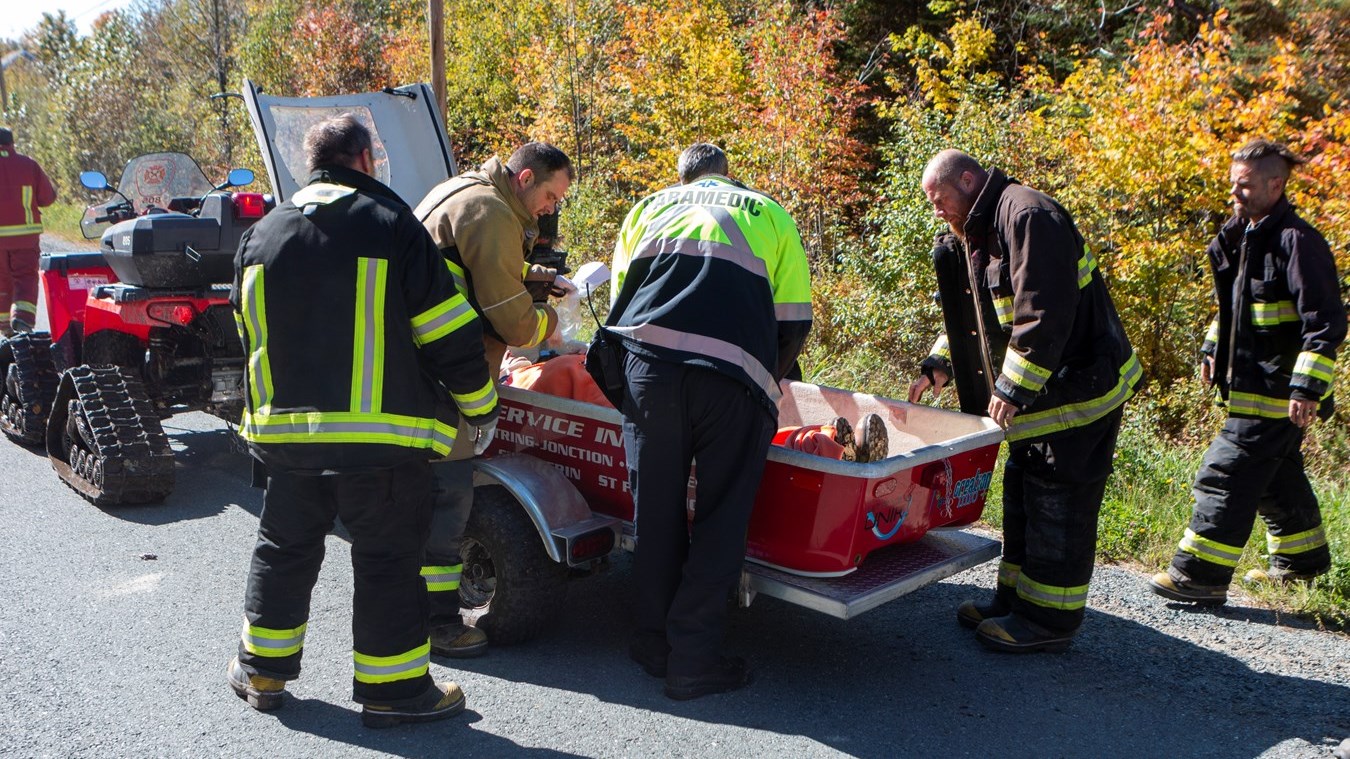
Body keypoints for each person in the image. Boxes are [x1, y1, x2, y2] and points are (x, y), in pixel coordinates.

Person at [227, 115, 499, 728]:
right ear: (366, 160)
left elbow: (246, 339)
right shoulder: (392, 227)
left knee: (284, 549)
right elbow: (447, 332)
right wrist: (480, 409)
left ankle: (262, 670)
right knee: (387, 559)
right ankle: (393, 692)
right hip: (381, 444)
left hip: (287, 440)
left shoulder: (262, 234)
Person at [910, 149, 1141, 653]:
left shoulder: (1029, 215)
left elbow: (1045, 316)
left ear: (968, 181)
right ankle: (1015, 601)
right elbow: (978, 318)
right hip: (1042, 400)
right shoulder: (981, 232)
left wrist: (1012, 388)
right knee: (1022, 493)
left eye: (939, 198)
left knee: (1058, 501)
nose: (937, 210)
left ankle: (1048, 622)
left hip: (1080, 393)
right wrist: (939, 363)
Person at [607, 143, 812, 699]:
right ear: (728, 176)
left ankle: (652, 642)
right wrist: (766, 382)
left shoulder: (648, 208)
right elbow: (793, 322)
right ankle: (693, 659)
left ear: (682, 178)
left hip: (650, 374)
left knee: (656, 510)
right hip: (733, 379)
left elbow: (621, 307)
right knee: (722, 516)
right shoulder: (769, 213)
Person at [1149, 139, 1344, 605]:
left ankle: (1200, 575)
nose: (1234, 193)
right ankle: (1302, 564)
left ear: (1276, 185)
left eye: (1246, 185)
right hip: (1251, 384)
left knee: (1227, 472)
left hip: (1277, 391)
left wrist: (1307, 387)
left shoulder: (1296, 242)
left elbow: (1325, 322)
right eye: (1232, 183)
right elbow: (1235, 306)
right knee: (1277, 475)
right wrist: (1213, 346)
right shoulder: (1245, 236)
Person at [412, 142, 573, 657]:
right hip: (445, 378)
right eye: (550, 195)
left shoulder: (463, 191)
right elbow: (514, 323)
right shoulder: (493, 213)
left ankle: (410, 608)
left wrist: (540, 279)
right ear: (525, 178)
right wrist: (554, 319)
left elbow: (473, 268)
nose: (551, 208)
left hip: (415, 368)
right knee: (449, 498)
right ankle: (437, 623)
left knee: (413, 495)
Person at [0, 127, 57, 336]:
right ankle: (22, 320)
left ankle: (6, 329)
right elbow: (48, 198)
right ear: (12, 144)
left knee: (2, 281)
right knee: (25, 278)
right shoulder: (28, 165)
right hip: (25, 239)